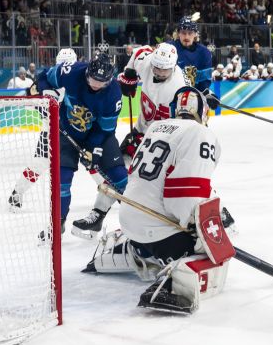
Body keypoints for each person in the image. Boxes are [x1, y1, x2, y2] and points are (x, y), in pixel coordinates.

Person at [83, 86, 234, 314]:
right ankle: (172, 285)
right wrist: (197, 228)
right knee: (214, 252)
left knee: (167, 226)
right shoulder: (200, 133)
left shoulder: (156, 127)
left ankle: (134, 253)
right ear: (203, 112)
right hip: (160, 235)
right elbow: (185, 195)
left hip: (129, 224)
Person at [35, 52, 127, 237]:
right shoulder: (71, 72)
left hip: (98, 135)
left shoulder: (114, 94)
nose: (95, 84)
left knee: (119, 177)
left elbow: (105, 129)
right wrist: (44, 89)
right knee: (62, 180)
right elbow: (44, 76)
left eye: (100, 82)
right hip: (67, 131)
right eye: (92, 79)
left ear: (109, 80)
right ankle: (58, 223)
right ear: (86, 73)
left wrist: (94, 149)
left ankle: (137, 220)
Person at [116, 43, 185, 161]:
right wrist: (129, 72)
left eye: (165, 70)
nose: (159, 73)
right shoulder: (147, 63)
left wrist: (147, 140)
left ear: (174, 67)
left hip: (164, 139)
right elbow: (139, 51)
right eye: (156, 68)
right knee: (119, 166)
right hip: (140, 129)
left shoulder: (178, 88)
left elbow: (178, 126)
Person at [168, 16, 213, 94]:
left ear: (195, 34)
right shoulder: (168, 48)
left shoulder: (204, 53)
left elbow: (204, 83)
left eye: (190, 33)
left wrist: (205, 94)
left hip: (194, 97)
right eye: (183, 33)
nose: (186, 37)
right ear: (178, 33)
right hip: (170, 95)